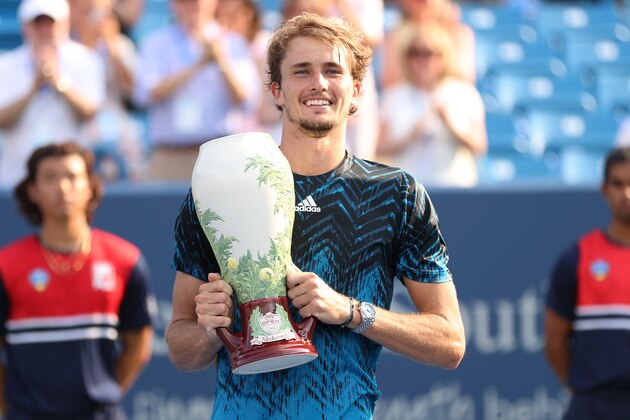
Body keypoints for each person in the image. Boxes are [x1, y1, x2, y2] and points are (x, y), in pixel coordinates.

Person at [165, 13, 465, 418]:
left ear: (356, 90)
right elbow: (181, 349)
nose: (318, 83)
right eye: (301, 71)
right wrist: (210, 331)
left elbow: (449, 343)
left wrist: (351, 312)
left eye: (332, 71)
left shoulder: (396, 193)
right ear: (276, 90)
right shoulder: (222, 187)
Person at [0, 142, 155, 418]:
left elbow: (138, 346)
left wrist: (102, 397)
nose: (62, 187)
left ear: (90, 187)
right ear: (32, 190)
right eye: (50, 177)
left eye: (72, 176)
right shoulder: (6, 266)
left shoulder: (125, 260)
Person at [544, 146, 630, 419]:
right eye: (618, 183)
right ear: (604, 189)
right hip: (594, 408)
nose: (626, 193)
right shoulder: (577, 259)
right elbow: (554, 343)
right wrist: (584, 389)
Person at [134, 0, 260, 181]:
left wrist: (222, 62)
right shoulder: (156, 43)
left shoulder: (232, 43)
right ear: (174, 5)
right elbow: (145, 94)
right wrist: (198, 64)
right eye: (185, 1)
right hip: (170, 155)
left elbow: (247, 100)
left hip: (219, 154)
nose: (192, 6)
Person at [0, 0, 106, 189]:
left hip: (70, 179)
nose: (45, 30)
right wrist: (35, 87)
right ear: (26, 27)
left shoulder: (87, 60)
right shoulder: (5, 65)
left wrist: (58, 81)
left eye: (51, 23)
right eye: (37, 23)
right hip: (17, 174)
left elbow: (90, 111)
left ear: (64, 24)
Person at [377, 22, 487, 188]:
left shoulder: (464, 93)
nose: (423, 60)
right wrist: (409, 136)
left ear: (444, 56)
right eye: (415, 53)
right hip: (408, 192)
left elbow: (480, 146)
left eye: (430, 53)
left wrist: (453, 125)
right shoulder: (394, 95)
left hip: (455, 188)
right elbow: (378, 147)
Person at [69, 0, 147, 182]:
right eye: (87, 12)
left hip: (116, 124)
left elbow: (133, 92)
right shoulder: (67, 46)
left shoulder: (120, 44)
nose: (92, 19)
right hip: (78, 124)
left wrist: (112, 48)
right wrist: (88, 44)